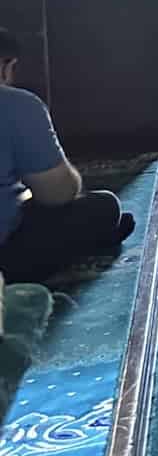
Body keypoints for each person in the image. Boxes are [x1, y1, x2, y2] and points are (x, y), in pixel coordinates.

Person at [0, 29, 135, 283]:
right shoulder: (17, 106)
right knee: (104, 206)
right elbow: (57, 194)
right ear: (5, 66)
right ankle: (92, 241)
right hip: (8, 257)